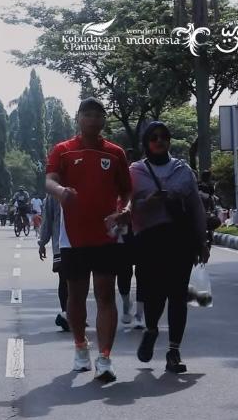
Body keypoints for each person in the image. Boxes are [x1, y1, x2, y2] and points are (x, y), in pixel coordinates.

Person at [45, 97, 132, 382]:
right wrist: (60, 192)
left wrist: (125, 212)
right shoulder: (63, 150)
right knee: (76, 295)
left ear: (104, 119)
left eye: (98, 115)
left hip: (107, 235)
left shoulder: (116, 152)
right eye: (88, 114)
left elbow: (127, 192)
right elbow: (50, 180)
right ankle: (81, 347)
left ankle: (105, 358)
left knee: (106, 294)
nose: (93, 119)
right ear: (78, 118)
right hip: (74, 236)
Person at [129, 121, 209, 374]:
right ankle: (151, 329)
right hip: (149, 241)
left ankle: (174, 351)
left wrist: (202, 240)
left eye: (164, 136)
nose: (159, 141)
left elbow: (196, 207)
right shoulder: (135, 171)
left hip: (180, 240)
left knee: (178, 296)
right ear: (146, 143)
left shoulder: (183, 170)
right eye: (153, 137)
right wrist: (146, 203)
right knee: (153, 295)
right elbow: (126, 207)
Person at [37, 194, 69, 331]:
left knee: (67, 280)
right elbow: (48, 221)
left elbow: (47, 221)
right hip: (65, 244)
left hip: (63, 245)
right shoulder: (53, 195)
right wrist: (42, 242)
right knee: (71, 279)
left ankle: (69, 313)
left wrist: (42, 242)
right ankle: (67, 313)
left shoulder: (53, 194)